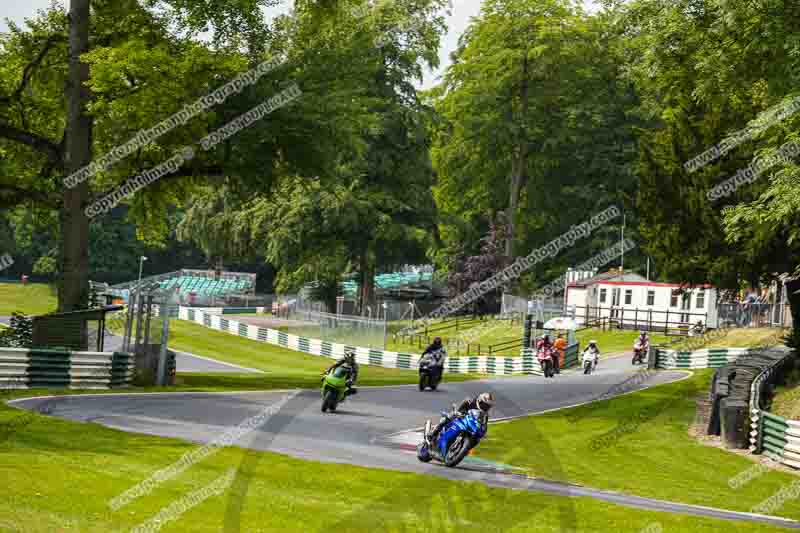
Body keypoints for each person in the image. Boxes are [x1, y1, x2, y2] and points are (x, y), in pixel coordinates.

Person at [426, 392, 495, 444]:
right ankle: (434, 432)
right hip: (460, 416)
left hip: (468, 424)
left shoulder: (485, 415)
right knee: (450, 417)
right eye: (485, 405)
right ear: (480, 401)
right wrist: (458, 412)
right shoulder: (469, 401)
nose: (485, 407)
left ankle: (462, 449)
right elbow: (458, 406)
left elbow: (484, 425)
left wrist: (483, 433)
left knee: (476, 439)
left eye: (487, 406)